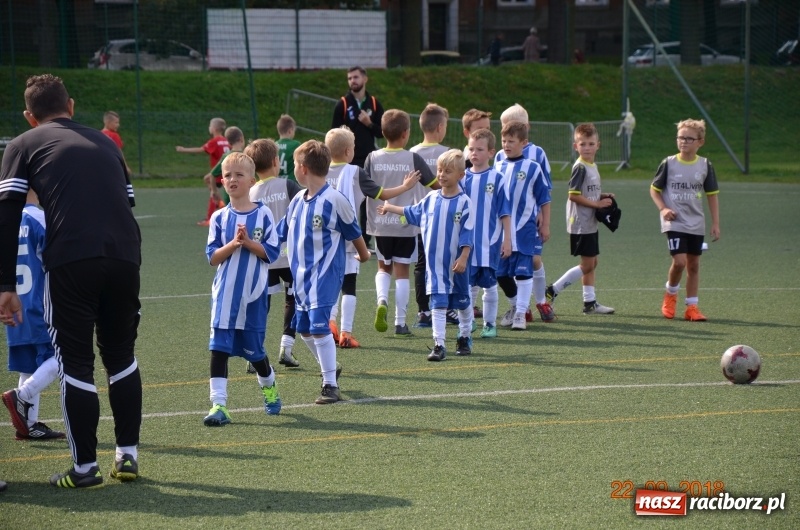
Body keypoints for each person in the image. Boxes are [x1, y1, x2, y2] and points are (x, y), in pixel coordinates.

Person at [0, 74, 142, 488]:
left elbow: (8, 216)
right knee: (121, 356)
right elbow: (126, 202)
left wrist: (5, 284)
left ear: (30, 116)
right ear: (72, 106)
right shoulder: (107, 143)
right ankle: (127, 457)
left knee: (75, 361)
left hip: (72, 260)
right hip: (125, 256)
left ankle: (85, 469)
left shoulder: (22, 144)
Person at [276, 140, 370, 404]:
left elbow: (354, 231)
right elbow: (280, 233)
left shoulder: (334, 200)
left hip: (326, 276)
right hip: (301, 279)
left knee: (319, 328)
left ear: (303, 168)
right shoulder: (296, 201)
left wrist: (363, 255)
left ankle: (330, 384)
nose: (293, 169)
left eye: (294, 164)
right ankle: (331, 367)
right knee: (304, 329)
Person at [203, 152, 282, 427]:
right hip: (224, 295)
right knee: (218, 349)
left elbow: (271, 253)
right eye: (227, 175)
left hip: (253, 296)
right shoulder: (219, 218)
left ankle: (269, 386)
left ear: (251, 180)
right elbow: (212, 257)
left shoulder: (263, 214)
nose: (233, 179)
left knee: (255, 352)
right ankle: (219, 405)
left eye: (239, 174)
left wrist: (248, 243)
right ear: (222, 181)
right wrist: (233, 245)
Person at [324, 126, 420, 348]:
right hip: (348, 239)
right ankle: (346, 333)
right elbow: (381, 194)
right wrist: (405, 186)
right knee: (349, 285)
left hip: (324, 240)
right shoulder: (355, 172)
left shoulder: (321, 171)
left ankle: (330, 323)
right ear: (349, 151)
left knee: (330, 285)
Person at [378, 149, 474, 361]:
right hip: (435, 267)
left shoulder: (464, 203)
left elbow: (468, 233)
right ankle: (439, 345)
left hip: (456, 265)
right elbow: (413, 212)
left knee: (463, 303)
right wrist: (390, 207)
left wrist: (464, 257)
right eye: (439, 170)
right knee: (438, 304)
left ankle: (465, 335)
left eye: (447, 171)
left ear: (460, 175)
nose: (441, 175)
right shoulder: (431, 198)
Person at [364, 109, 437, 336]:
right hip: (405, 222)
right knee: (403, 272)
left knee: (383, 268)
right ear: (406, 134)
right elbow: (435, 184)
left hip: (380, 223)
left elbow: (366, 188)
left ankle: (382, 300)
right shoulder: (413, 158)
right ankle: (400, 322)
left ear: (383, 132)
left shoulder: (371, 158)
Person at [2, 189, 65, 441]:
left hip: (13, 303)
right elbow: (58, 258)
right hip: (40, 303)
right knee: (63, 357)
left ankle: (27, 425)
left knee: (30, 363)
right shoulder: (38, 218)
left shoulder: (6, 219)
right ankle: (22, 395)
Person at [650, 119, 720, 322]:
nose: (684, 142)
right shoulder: (669, 163)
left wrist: (715, 223)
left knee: (694, 265)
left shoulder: (705, 165)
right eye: (681, 137)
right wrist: (663, 209)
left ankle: (692, 307)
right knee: (679, 262)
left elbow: (712, 195)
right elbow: (654, 190)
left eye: (689, 138)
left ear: (700, 142)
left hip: (696, 222)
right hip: (675, 221)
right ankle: (670, 294)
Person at [245, 138, 304, 369]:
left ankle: (254, 353)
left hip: (263, 258)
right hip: (290, 257)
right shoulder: (288, 186)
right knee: (293, 299)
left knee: (262, 305)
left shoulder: (250, 192)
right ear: (276, 161)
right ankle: (286, 348)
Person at [546, 123, 615, 315]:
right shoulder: (580, 167)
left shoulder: (592, 165)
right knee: (588, 264)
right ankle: (553, 290)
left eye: (590, 143)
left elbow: (587, 192)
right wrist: (597, 205)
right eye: (582, 144)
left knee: (592, 262)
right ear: (575, 146)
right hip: (581, 221)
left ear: (598, 145)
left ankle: (589, 303)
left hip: (588, 220)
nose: (587, 147)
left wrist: (602, 196)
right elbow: (573, 195)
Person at [494, 104, 555, 324]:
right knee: (505, 268)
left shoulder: (537, 154)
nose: (507, 133)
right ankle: (521, 307)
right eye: (503, 128)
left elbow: (543, 188)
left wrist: (541, 214)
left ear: (525, 128)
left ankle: (540, 301)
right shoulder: (500, 156)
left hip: (530, 219)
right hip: (505, 223)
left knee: (534, 259)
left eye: (512, 128)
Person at [463, 129, 512, 338]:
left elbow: (505, 212)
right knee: (467, 285)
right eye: (471, 149)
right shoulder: (462, 178)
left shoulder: (498, 178)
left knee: (490, 284)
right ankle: (469, 322)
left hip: (490, 243)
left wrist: (507, 239)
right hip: (466, 243)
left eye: (480, 149)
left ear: (491, 152)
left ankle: (490, 324)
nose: (474, 153)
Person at [332, 66, 384, 247]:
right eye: (349, 78)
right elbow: (334, 133)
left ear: (365, 79)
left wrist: (369, 123)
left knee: (367, 198)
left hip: (368, 158)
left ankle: (365, 237)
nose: (352, 81)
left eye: (355, 77)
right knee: (346, 196)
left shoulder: (375, 104)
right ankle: (345, 232)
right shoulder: (343, 104)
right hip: (346, 160)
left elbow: (382, 133)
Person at [409, 103, 451, 329]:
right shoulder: (448, 153)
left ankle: (423, 311)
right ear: (440, 127)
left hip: (419, 220)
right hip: (443, 219)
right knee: (445, 263)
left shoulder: (412, 153)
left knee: (421, 265)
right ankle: (447, 307)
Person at [461, 108, 493, 315]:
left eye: (488, 129)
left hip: (489, 235)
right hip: (467, 235)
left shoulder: (493, 171)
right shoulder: (462, 167)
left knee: (489, 278)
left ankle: (517, 307)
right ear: (467, 133)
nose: (485, 134)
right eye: (480, 129)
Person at [176, 117, 231, 226]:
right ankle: (220, 204)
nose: (209, 128)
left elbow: (201, 149)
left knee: (211, 188)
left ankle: (210, 218)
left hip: (219, 173)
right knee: (208, 181)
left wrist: (183, 150)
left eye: (210, 126)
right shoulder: (226, 141)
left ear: (214, 128)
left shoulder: (214, 141)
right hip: (227, 171)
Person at [203, 126, 245, 216]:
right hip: (245, 194)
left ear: (228, 142)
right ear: (241, 138)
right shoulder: (246, 156)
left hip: (229, 195)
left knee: (231, 217)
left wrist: (214, 191)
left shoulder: (226, 156)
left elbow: (213, 174)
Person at [276, 114, 301, 182]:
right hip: (291, 183)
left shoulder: (273, 145)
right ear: (290, 131)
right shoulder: (296, 145)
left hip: (277, 182)